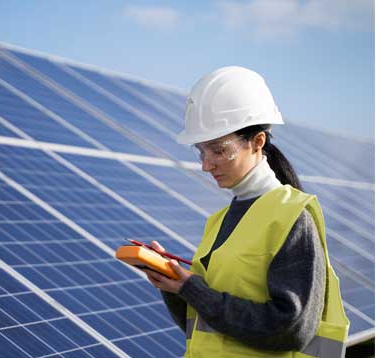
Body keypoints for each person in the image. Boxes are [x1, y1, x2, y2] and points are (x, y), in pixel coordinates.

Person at [142, 66, 349, 357]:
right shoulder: (220, 221)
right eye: (201, 151)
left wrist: (194, 290)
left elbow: (292, 329)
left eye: (218, 150)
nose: (206, 164)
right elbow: (205, 327)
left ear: (257, 142)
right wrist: (176, 285)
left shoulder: (291, 216)